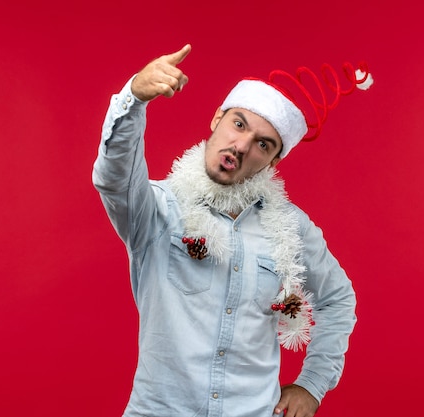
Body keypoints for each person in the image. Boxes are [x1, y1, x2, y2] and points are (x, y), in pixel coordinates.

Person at [92, 44, 366, 417]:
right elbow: (113, 177)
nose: (241, 146)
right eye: (238, 124)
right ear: (216, 118)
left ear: (273, 160)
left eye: (263, 144)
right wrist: (133, 98)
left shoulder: (292, 226)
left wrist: (312, 384)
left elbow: (338, 299)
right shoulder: (157, 207)